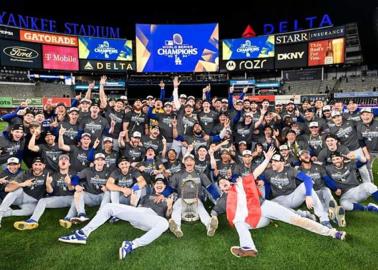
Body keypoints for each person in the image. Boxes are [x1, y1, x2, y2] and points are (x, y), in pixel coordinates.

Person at [210, 147, 346, 258]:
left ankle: (332, 232)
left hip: (263, 207)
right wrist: (213, 217)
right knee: (238, 222)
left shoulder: (240, 184)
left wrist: (267, 159)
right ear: (221, 189)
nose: (224, 184)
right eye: (221, 184)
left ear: (229, 182)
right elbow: (215, 210)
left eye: (225, 182)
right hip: (255, 220)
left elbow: (256, 172)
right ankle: (248, 247)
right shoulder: (223, 199)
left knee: (297, 220)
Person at [58, 174, 173, 260]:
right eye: (157, 183)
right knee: (108, 206)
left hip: (153, 220)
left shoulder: (168, 198)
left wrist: (169, 207)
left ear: (164, 186)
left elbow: (167, 215)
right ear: (154, 186)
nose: (159, 185)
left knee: (164, 223)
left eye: (161, 184)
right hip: (139, 214)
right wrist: (133, 203)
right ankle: (83, 233)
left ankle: (132, 245)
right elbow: (135, 209)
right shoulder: (147, 196)